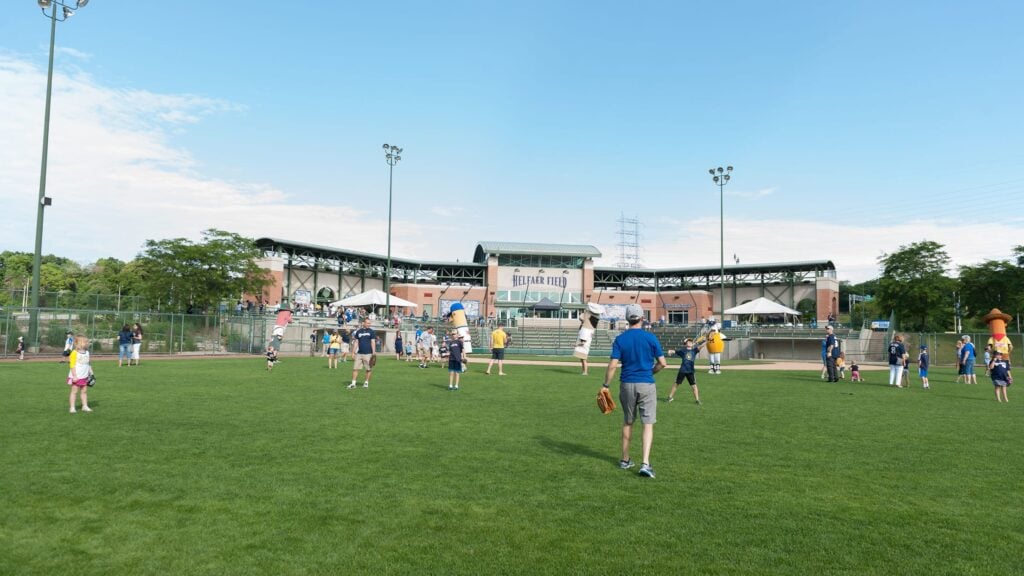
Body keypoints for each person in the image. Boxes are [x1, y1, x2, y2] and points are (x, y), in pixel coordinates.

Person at [603, 303, 667, 479]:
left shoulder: (620, 339)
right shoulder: (650, 338)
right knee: (647, 424)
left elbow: (613, 365)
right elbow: (663, 363)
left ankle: (625, 459)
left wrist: (605, 385)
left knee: (628, 422)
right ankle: (645, 463)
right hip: (646, 383)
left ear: (627, 319)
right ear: (642, 318)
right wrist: (650, 372)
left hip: (627, 384)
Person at [667, 338, 702, 405]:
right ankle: (670, 397)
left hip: (691, 371)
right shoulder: (683, 351)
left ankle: (697, 400)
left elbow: (700, 347)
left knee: (694, 385)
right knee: (676, 384)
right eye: (688, 342)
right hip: (682, 370)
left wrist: (706, 341)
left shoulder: (694, 350)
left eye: (691, 341)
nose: (690, 342)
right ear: (685, 344)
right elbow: (675, 351)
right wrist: (670, 351)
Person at [66, 335, 93, 413]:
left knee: (84, 391)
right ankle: (72, 407)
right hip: (76, 376)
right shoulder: (74, 353)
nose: (87, 343)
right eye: (85, 342)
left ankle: (85, 406)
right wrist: (74, 376)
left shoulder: (87, 352)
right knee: (74, 391)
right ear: (79, 343)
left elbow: (88, 363)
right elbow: (72, 365)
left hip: (84, 376)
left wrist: (91, 372)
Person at [348, 318, 376, 389]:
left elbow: (373, 342)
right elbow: (356, 342)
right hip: (359, 353)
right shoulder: (359, 332)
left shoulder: (371, 331)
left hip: (368, 353)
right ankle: (353, 384)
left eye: (369, 323)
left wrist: (373, 353)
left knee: (368, 369)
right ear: (363, 323)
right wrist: (353, 352)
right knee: (355, 368)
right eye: (367, 323)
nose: (369, 324)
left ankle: (366, 383)